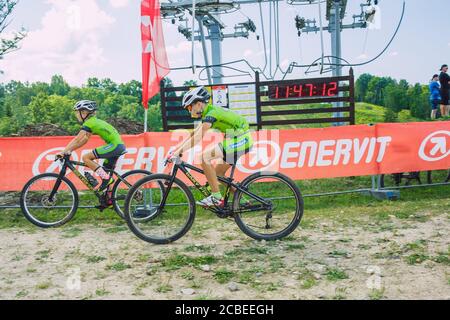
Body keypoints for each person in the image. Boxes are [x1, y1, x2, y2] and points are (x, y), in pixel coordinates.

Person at [169, 86, 253, 207]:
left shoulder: (211, 114)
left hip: (240, 138)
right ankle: (243, 201)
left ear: (198, 104)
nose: (189, 111)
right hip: (236, 138)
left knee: (203, 158)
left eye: (189, 107)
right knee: (218, 174)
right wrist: (176, 149)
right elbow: (193, 134)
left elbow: (198, 138)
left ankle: (216, 197)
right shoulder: (208, 113)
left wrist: (178, 152)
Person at [56, 100, 126, 194]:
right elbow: (84, 140)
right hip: (117, 145)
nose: (76, 115)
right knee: (106, 171)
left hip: (114, 146)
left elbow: (77, 139)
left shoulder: (89, 123)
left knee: (86, 157)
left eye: (77, 112)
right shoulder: (93, 122)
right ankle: (109, 198)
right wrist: (70, 150)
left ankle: (106, 179)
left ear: (84, 112)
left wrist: (63, 151)